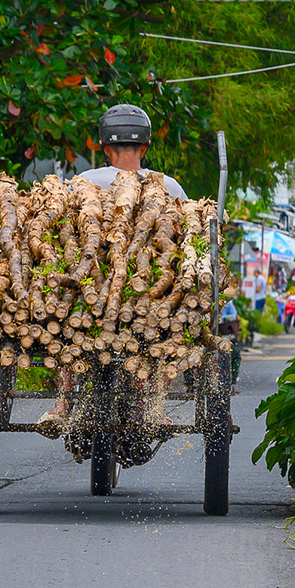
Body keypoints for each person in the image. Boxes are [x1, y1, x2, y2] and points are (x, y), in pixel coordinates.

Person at [42, 104, 187, 426]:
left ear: (105, 148)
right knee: (165, 325)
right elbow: (187, 234)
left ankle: (62, 404)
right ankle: (155, 408)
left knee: (70, 314)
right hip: (146, 291)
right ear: (145, 147)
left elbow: (61, 229)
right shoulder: (168, 185)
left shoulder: (83, 181)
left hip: (91, 286)